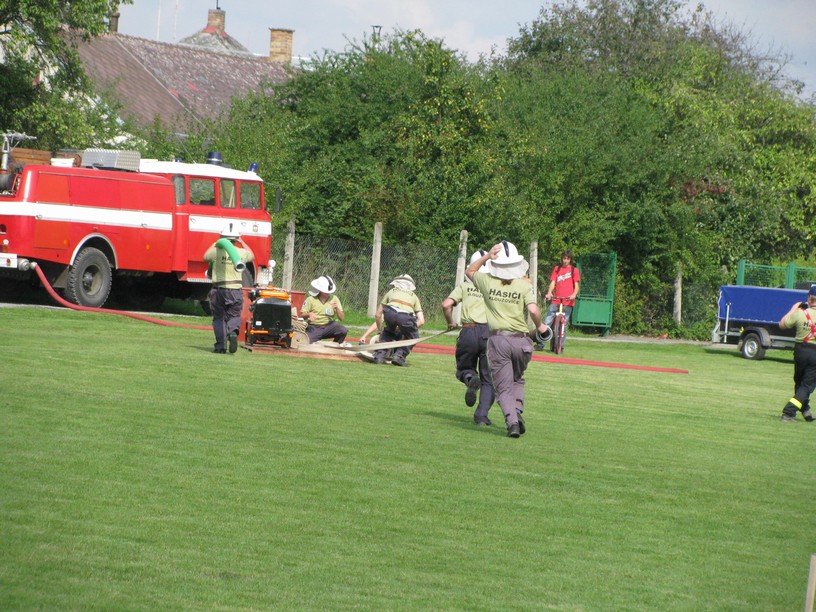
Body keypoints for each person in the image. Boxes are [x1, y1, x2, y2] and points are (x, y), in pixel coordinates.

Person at [467, 241, 549, 438]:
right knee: (517, 379)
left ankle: (512, 423)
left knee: (503, 387)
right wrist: (540, 327)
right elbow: (532, 310)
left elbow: (470, 271)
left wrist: (486, 256)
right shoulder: (523, 285)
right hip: (522, 342)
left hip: (499, 341)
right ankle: (518, 411)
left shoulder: (487, 282)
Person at [441, 250, 495, 426]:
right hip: (489, 334)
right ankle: (481, 416)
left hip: (468, 331)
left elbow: (446, 304)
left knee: (464, 369)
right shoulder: (493, 285)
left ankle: (470, 378)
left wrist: (450, 322)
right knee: (489, 379)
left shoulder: (465, 286)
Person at [204, 224, 254, 354]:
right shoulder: (241, 253)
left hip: (218, 289)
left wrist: (217, 242)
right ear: (235, 238)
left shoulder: (216, 251)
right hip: (235, 290)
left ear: (222, 237)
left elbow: (204, 257)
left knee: (219, 318)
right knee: (234, 315)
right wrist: (242, 241)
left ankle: (220, 346)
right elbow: (252, 255)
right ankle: (232, 332)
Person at [360, 274, 425, 366]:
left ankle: (379, 356)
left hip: (389, 313)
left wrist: (379, 331)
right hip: (406, 316)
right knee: (413, 336)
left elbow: (378, 314)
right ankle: (399, 356)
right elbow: (421, 321)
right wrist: (409, 329)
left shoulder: (391, 292)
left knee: (388, 332)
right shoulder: (414, 296)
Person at [778, 285, 816, 422]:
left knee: (799, 383)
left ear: (808, 298)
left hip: (800, 350)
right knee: (807, 386)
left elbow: (782, 324)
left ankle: (805, 411)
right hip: (815, 353)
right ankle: (788, 412)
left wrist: (794, 308)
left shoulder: (800, 313)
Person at [542, 249, 581, 348]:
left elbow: (576, 285)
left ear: (570, 260)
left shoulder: (574, 270)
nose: (565, 260)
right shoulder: (557, 268)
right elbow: (553, 282)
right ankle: (540, 343)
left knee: (564, 324)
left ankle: (560, 346)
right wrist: (549, 293)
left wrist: (573, 294)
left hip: (568, 301)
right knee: (547, 321)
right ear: (562, 258)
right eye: (564, 258)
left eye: (568, 259)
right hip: (556, 299)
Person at [301, 275, 348, 344]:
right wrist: (309, 314)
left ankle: (335, 346)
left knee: (343, 330)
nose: (327, 293)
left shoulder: (334, 298)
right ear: (319, 289)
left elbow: (342, 318)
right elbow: (302, 315)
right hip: (314, 327)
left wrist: (337, 308)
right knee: (306, 342)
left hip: (329, 326)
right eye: (325, 291)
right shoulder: (310, 299)